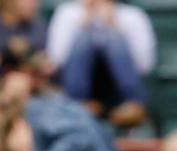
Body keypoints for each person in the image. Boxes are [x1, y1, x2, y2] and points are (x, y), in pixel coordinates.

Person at [47, 0, 155, 128]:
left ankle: (132, 104)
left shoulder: (133, 15)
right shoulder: (67, 12)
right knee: (85, 38)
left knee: (113, 38)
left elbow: (145, 65)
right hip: (76, 94)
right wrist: (83, 24)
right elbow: (55, 60)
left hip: (117, 95)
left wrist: (115, 25)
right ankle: (77, 104)